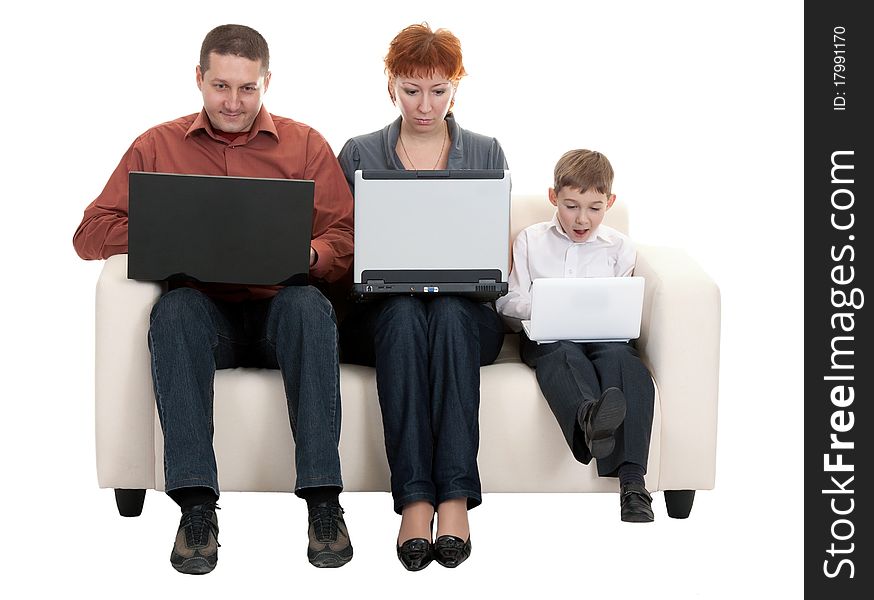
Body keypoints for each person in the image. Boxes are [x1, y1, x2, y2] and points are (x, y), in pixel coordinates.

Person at [73, 24, 355, 573]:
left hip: (282, 309)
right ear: (199, 79)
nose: (233, 102)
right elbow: (89, 233)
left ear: (266, 83)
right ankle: (196, 507)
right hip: (203, 315)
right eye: (221, 86)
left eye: (247, 89)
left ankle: (324, 502)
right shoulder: (158, 144)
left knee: (309, 308)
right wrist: (166, 230)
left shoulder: (305, 145)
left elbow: (345, 237)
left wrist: (312, 253)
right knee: (173, 310)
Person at [336, 23, 507, 570]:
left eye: (438, 91)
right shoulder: (360, 152)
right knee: (406, 312)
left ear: (456, 87)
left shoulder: (485, 151)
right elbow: (341, 243)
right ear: (391, 86)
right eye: (412, 90)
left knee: (453, 313)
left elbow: (495, 253)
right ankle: (414, 500)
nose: (425, 105)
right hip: (385, 315)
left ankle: (454, 498)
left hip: (465, 313)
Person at [496, 149, 656, 523]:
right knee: (562, 355)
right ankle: (588, 417)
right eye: (570, 206)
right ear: (553, 198)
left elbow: (620, 300)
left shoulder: (619, 247)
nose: (582, 219)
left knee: (625, 364)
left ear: (609, 203)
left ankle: (633, 484)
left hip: (605, 338)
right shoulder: (530, 240)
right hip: (548, 335)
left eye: (594, 208)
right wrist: (547, 305)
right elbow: (509, 300)